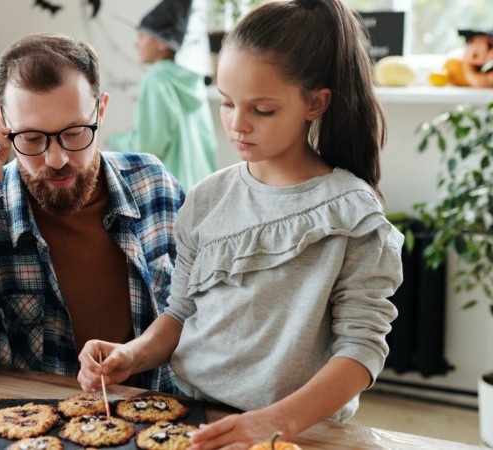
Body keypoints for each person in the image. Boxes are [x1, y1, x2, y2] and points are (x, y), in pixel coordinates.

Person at [78, 0, 404, 447]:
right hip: (189, 415)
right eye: (227, 103)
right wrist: (130, 355)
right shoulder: (208, 197)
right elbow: (179, 314)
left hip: (297, 431)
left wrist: (278, 423)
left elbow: (361, 350)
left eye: (262, 110)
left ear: (315, 103)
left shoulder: (352, 213)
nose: (237, 124)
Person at [0, 33, 185, 393]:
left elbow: (202, 315)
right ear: (2, 121)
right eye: (31, 139)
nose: (56, 159)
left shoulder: (155, 186)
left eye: (76, 133)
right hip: (34, 433)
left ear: (101, 110)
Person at [107, 0, 217, 190]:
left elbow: (149, 146)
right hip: (204, 187)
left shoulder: (156, 78)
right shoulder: (194, 81)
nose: (136, 44)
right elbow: (208, 144)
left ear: (160, 43)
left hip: (173, 192)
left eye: (141, 37)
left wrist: (115, 140)